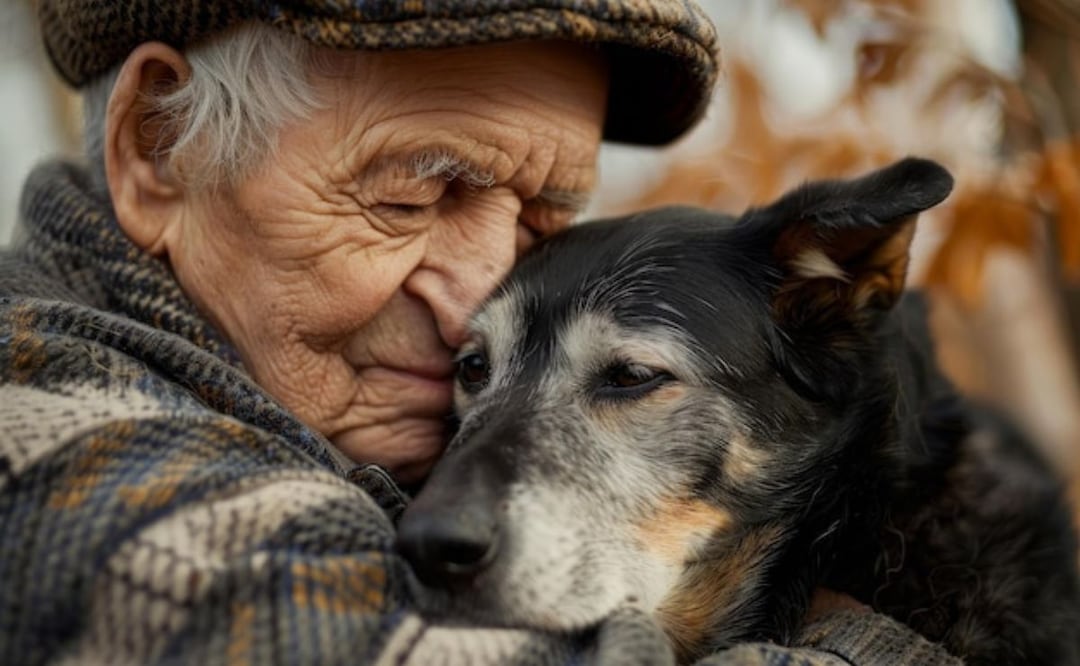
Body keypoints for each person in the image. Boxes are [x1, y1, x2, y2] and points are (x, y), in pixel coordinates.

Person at [0, 1, 961, 664]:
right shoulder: (48, 443)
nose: (479, 305)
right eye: (416, 192)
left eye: (543, 219)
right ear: (162, 148)